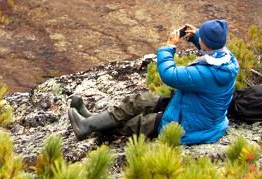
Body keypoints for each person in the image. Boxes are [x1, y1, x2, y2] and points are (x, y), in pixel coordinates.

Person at [68, 19, 239, 145]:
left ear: (207, 44)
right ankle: (92, 120)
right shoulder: (225, 58)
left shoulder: (207, 73)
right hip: (192, 108)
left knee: (138, 124)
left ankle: (88, 127)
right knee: (141, 100)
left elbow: (169, 75)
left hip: (190, 127)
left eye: (202, 36)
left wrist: (169, 47)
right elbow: (209, 47)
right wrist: (196, 38)